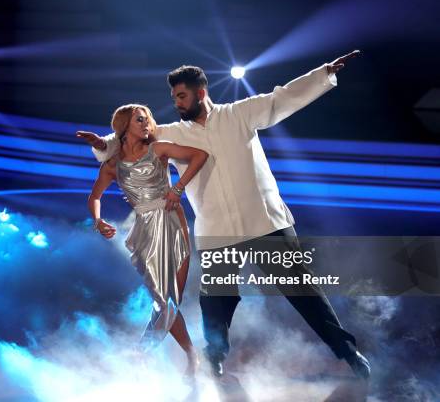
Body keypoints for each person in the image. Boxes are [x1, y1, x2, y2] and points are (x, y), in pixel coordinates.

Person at [77, 50, 371, 379]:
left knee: (301, 290)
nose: (177, 103)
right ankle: (214, 357)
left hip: (264, 220)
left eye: (182, 95)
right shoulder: (171, 132)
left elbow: (282, 98)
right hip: (217, 229)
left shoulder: (239, 113)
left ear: (201, 93)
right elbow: (131, 138)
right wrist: (102, 144)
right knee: (216, 298)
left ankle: (348, 353)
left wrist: (322, 73)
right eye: (174, 98)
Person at [87, 103, 208, 376]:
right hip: (144, 231)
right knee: (164, 302)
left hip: (173, 223)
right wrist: (98, 221)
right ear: (124, 126)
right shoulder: (113, 165)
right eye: (139, 120)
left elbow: (200, 155)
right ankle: (187, 353)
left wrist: (177, 189)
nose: (146, 124)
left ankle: (146, 351)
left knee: (170, 301)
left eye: (148, 119)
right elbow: (94, 196)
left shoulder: (158, 149)